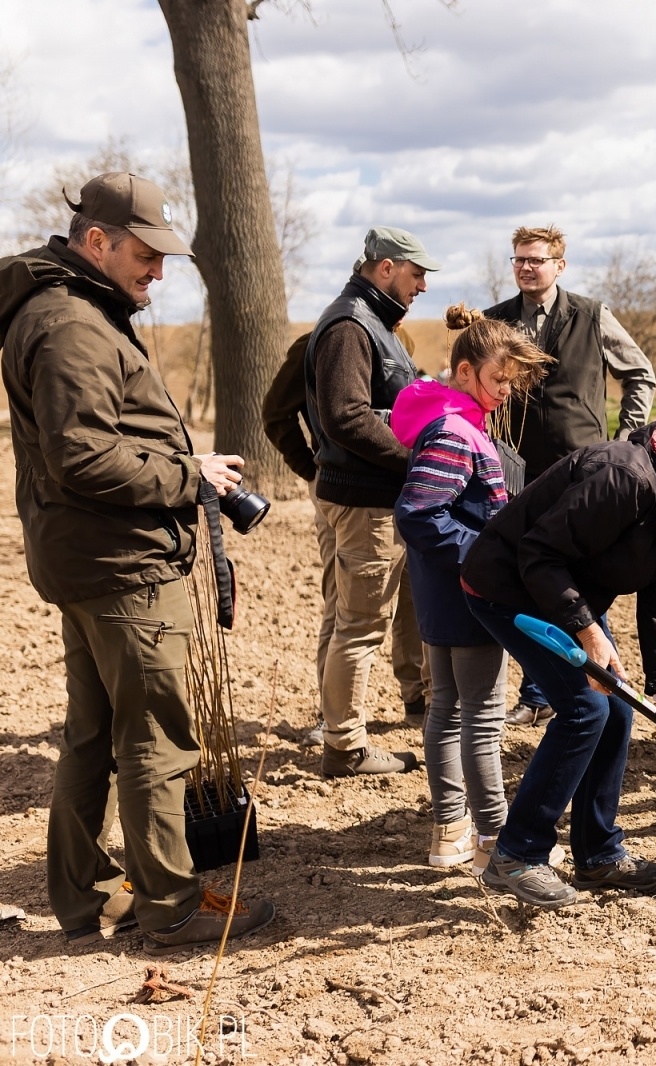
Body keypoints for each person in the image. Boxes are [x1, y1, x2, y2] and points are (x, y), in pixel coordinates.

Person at [0, 172, 275, 952]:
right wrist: (189, 478)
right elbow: (80, 456)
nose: (158, 271)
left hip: (91, 560)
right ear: (97, 242)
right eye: (146, 255)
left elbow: (94, 440)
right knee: (156, 741)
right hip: (121, 566)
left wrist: (188, 463)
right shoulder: (72, 327)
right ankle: (172, 908)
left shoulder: (69, 311)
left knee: (93, 736)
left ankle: (87, 900)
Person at [460, 416, 656, 907]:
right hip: (511, 587)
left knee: (620, 709)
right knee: (583, 710)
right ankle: (517, 854)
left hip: (569, 595)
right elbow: (539, 553)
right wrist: (587, 629)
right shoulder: (626, 478)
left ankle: (598, 856)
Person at [393, 305, 551, 871]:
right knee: (479, 717)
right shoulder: (457, 433)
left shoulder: (453, 422)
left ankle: (450, 831)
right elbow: (417, 513)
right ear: (464, 372)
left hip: (441, 595)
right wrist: (484, 561)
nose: (506, 390)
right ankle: (493, 839)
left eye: (512, 381)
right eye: (498, 378)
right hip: (467, 598)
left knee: (448, 712)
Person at [484, 224, 656, 726]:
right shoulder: (496, 322)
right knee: (528, 572)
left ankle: (597, 680)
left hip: (582, 471)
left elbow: (639, 373)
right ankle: (538, 693)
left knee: (581, 578)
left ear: (560, 264)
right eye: (518, 259)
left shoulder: (590, 314)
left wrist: (625, 439)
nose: (525, 267)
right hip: (516, 469)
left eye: (536, 259)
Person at [304, 227, 437, 776]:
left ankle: (342, 735)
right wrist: (418, 461)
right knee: (360, 625)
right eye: (416, 273)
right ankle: (346, 746)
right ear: (385, 268)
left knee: (348, 619)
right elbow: (347, 416)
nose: (423, 286)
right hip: (365, 503)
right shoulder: (350, 326)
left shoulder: (368, 322)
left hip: (361, 495)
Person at [263, 325, 419, 747]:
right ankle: (332, 718)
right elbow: (275, 413)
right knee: (345, 599)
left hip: (402, 490)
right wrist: (313, 472)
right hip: (345, 492)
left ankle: (418, 697)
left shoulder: (397, 341)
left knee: (410, 592)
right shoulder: (325, 340)